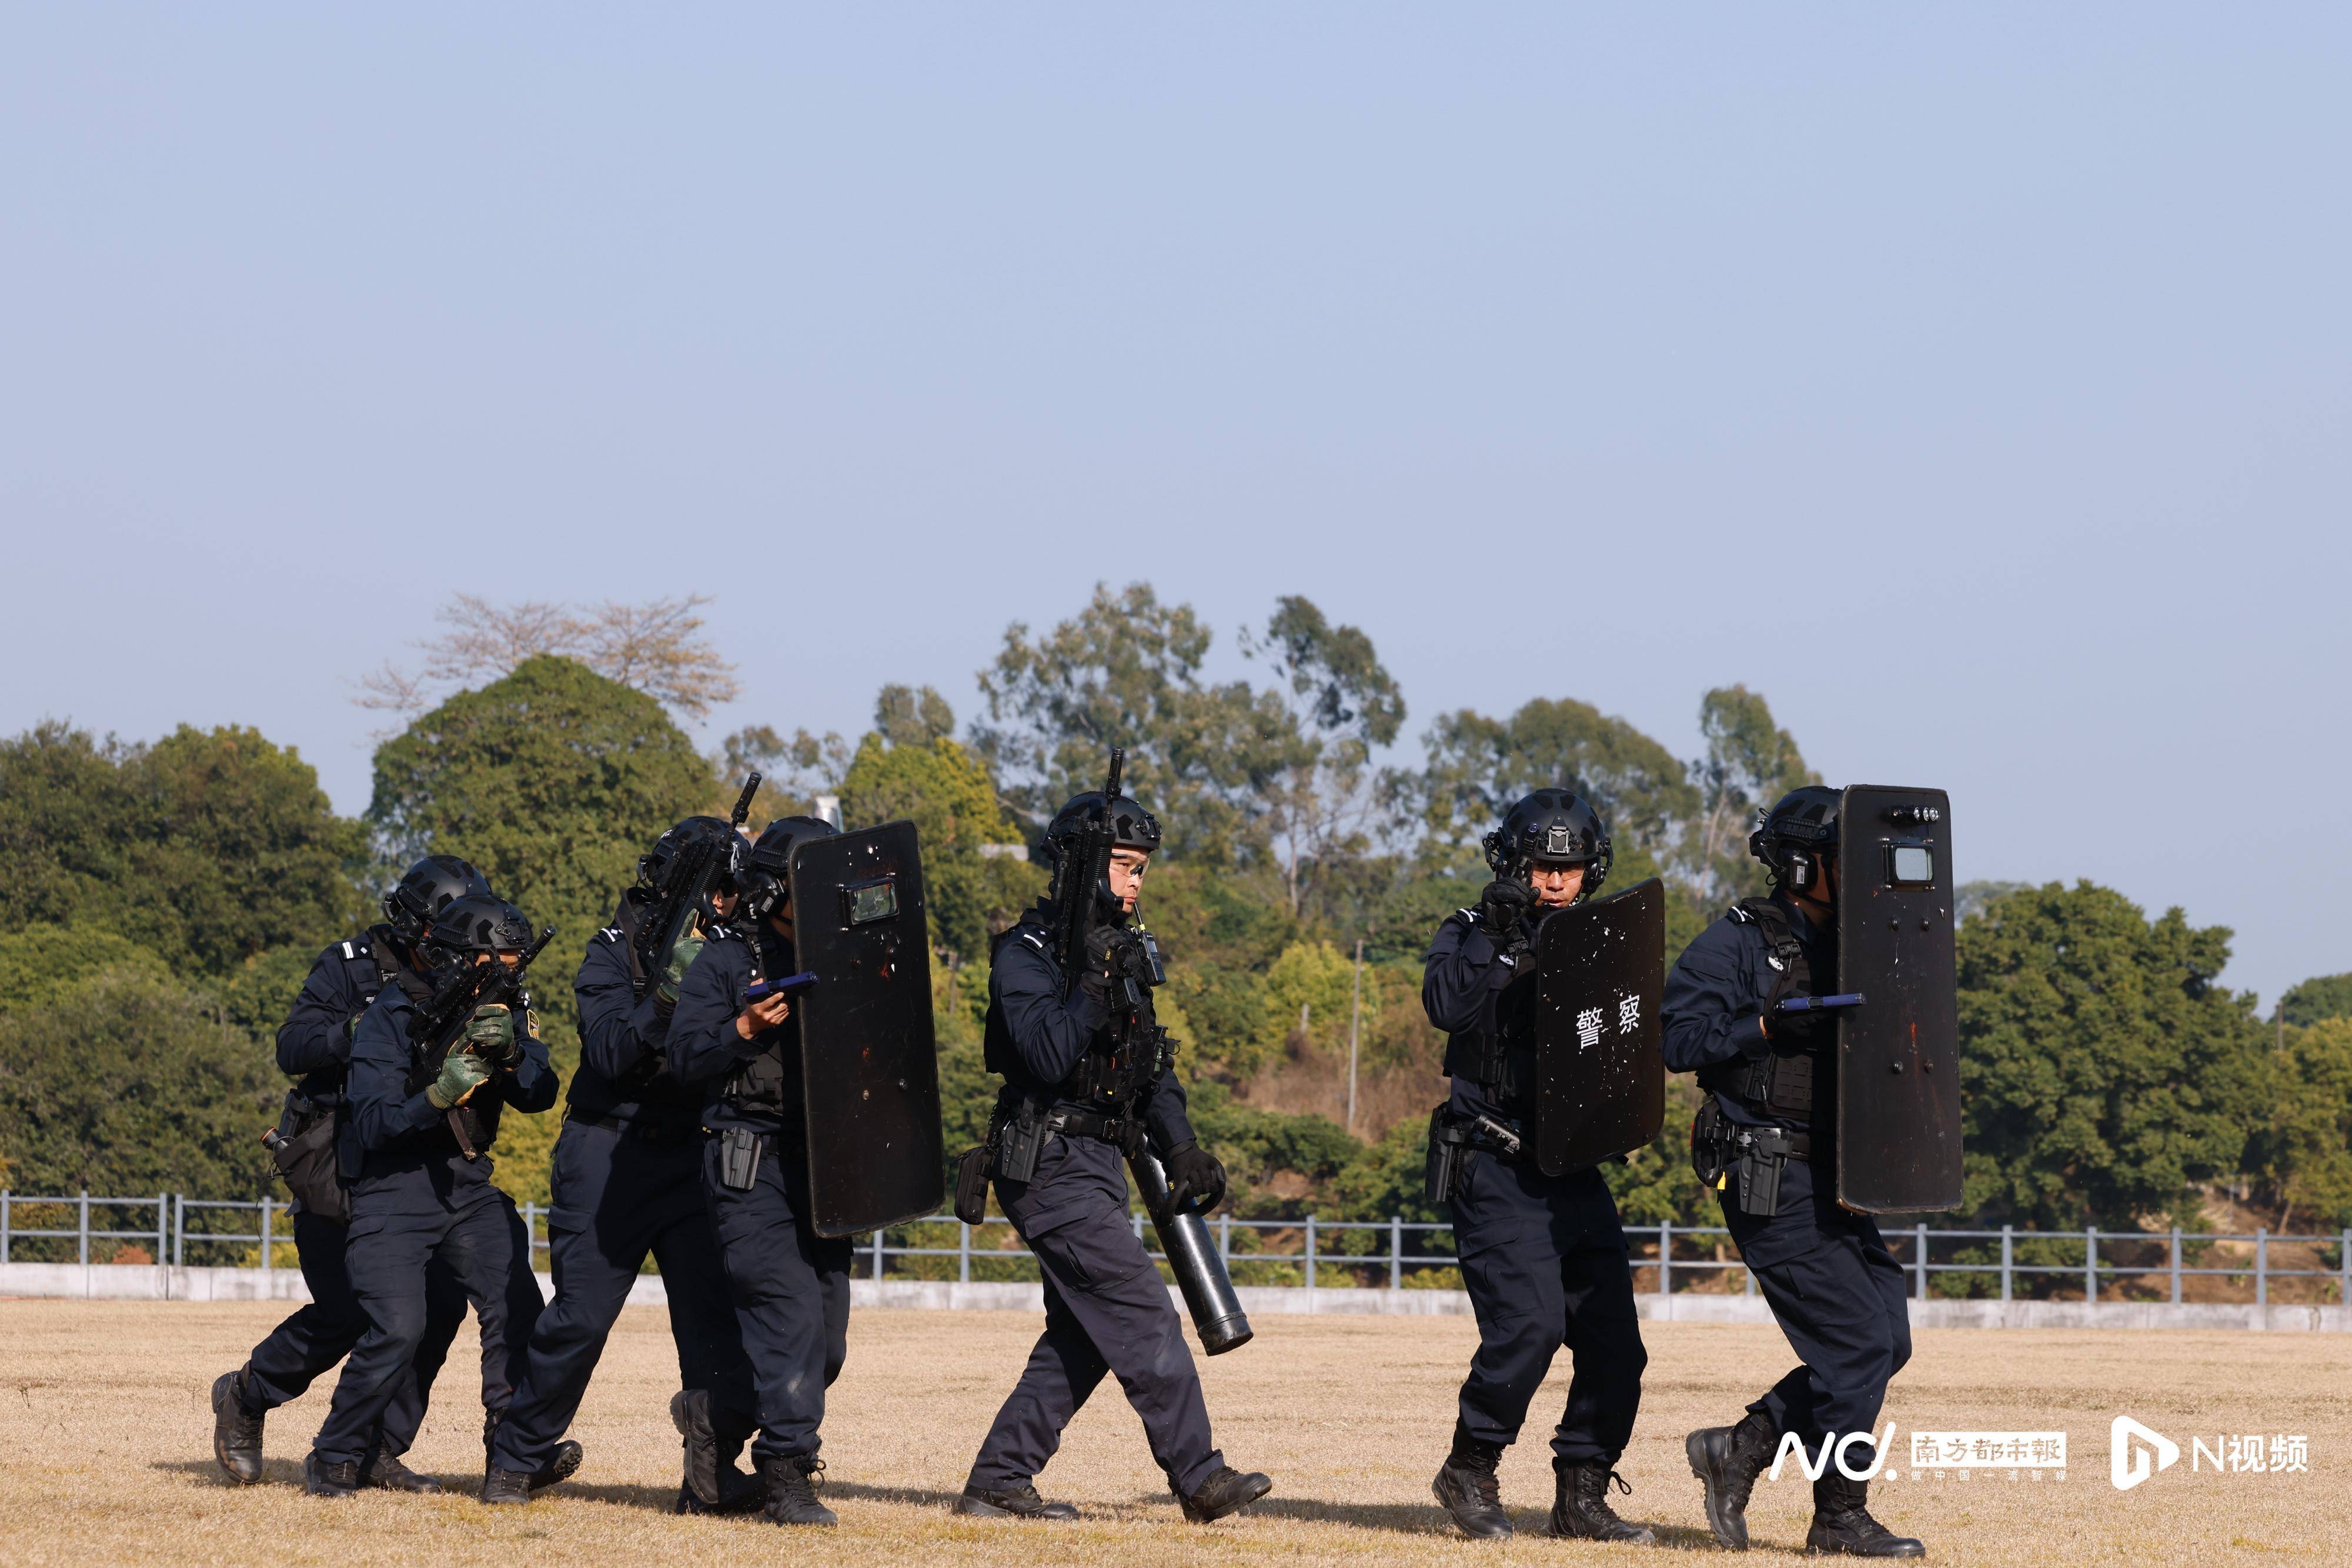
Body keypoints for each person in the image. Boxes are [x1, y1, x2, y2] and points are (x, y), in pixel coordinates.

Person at [956, 788, 1271, 1526]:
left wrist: (1183, 1145)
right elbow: (1043, 1052)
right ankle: (1199, 1476)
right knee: (1140, 1311)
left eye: (1143, 869)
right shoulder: (1024, 953)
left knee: (1083, 1334)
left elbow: (1149, 1068)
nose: (1136, 882)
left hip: (1103, 1162)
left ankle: (998, 1480)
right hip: (1046, 1158)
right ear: (1083, 866)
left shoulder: (1124, 954)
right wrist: (1094, 979)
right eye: (1125, 867)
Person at [1663, 785, 1923, 1558]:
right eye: (1848, 861)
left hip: (1841, 1173)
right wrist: (1770, 1025)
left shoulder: (1864, 943)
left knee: (1887, 1337)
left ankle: (1742, 1445)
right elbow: (1676, 1039)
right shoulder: (1737, 941)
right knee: (1854, 1344)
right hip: (1765, 1168)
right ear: (1805, 862)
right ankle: (1839, 1516)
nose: (1863, 877)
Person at [483, 819, 760, 1509]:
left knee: (713, 1325)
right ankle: (515, 1460)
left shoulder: (735, 949)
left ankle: (712, 1477)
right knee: (579, 1319)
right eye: (716, 887)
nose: (726, 902)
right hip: (608, 1150)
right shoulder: (611, 949)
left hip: (696, 1147)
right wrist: (667, 994)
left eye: (734, 888)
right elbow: (608, 1051)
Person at [1421, 789, 1653, 1543]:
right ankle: (1470, 1464)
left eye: (1570, 867)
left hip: (1574, 1168)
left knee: (1616, 1344)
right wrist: (1493, 934)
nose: (1555, 881)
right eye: (1540, 866)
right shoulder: (1467, 931)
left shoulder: (1603, 941)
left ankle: (1581, 1495)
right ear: (1510, 862)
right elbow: (1444, 1007)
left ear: (1591, 870)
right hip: (1493, 1158)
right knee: (1529, 1325)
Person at [211, 857, 482, 1493]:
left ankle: (375, 1447)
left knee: (440, 1304)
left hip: (415, 1166)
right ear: (414, 922)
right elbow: (292, 1047)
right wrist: (360, 1030)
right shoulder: (351, 963)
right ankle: (247, 1397)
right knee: (347, 1311)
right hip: (338, 1161)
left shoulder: (468, 970)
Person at [302, 894, 568, 1501]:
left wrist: (511, 1057)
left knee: (517, 1308)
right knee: (398, 1329)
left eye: (514, 960)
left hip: (468, 1183)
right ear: (457, 957)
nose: (511, 970)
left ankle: (512, 1460)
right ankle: (336, 1456)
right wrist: (437, 1098)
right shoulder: (390, 1015)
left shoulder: (510, 1007)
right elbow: (371, 1124)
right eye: (497, 958)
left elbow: (542, 1092)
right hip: (393, 1189)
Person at [666, 816, 853, 1528]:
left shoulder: (846, 957)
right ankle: (786, 1474)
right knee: (791, 1319)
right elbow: (683, 1060)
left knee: (824, 1342)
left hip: (828, 1169)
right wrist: (742, 1032)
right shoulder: (722, 961)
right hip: (750, 1164)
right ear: (775, 886)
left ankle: (711, 1420)